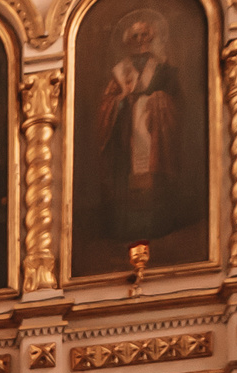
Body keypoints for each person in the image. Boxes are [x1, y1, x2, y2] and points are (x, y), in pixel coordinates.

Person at [94, 8, 192, 243]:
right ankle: (127, 228)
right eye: (135, 36)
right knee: (127, 182)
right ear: (128, 40)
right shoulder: (119, 72)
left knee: (153, 182)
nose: (139, 40)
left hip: (154, 133)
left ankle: (157, 225)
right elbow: (106, 105)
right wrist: (119, 102)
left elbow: (179, 103)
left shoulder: (165, 69)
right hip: (125, 136)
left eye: (144, 35)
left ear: (152, 37)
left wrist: (160, 100)